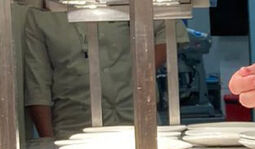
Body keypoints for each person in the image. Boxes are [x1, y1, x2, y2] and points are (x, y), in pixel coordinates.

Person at [23, 11, 187, 139]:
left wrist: (142, 72)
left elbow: (170, 28)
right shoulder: (41, 14)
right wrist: (47, 141)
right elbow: (37, 86)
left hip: (136, 121)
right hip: (75, 129)